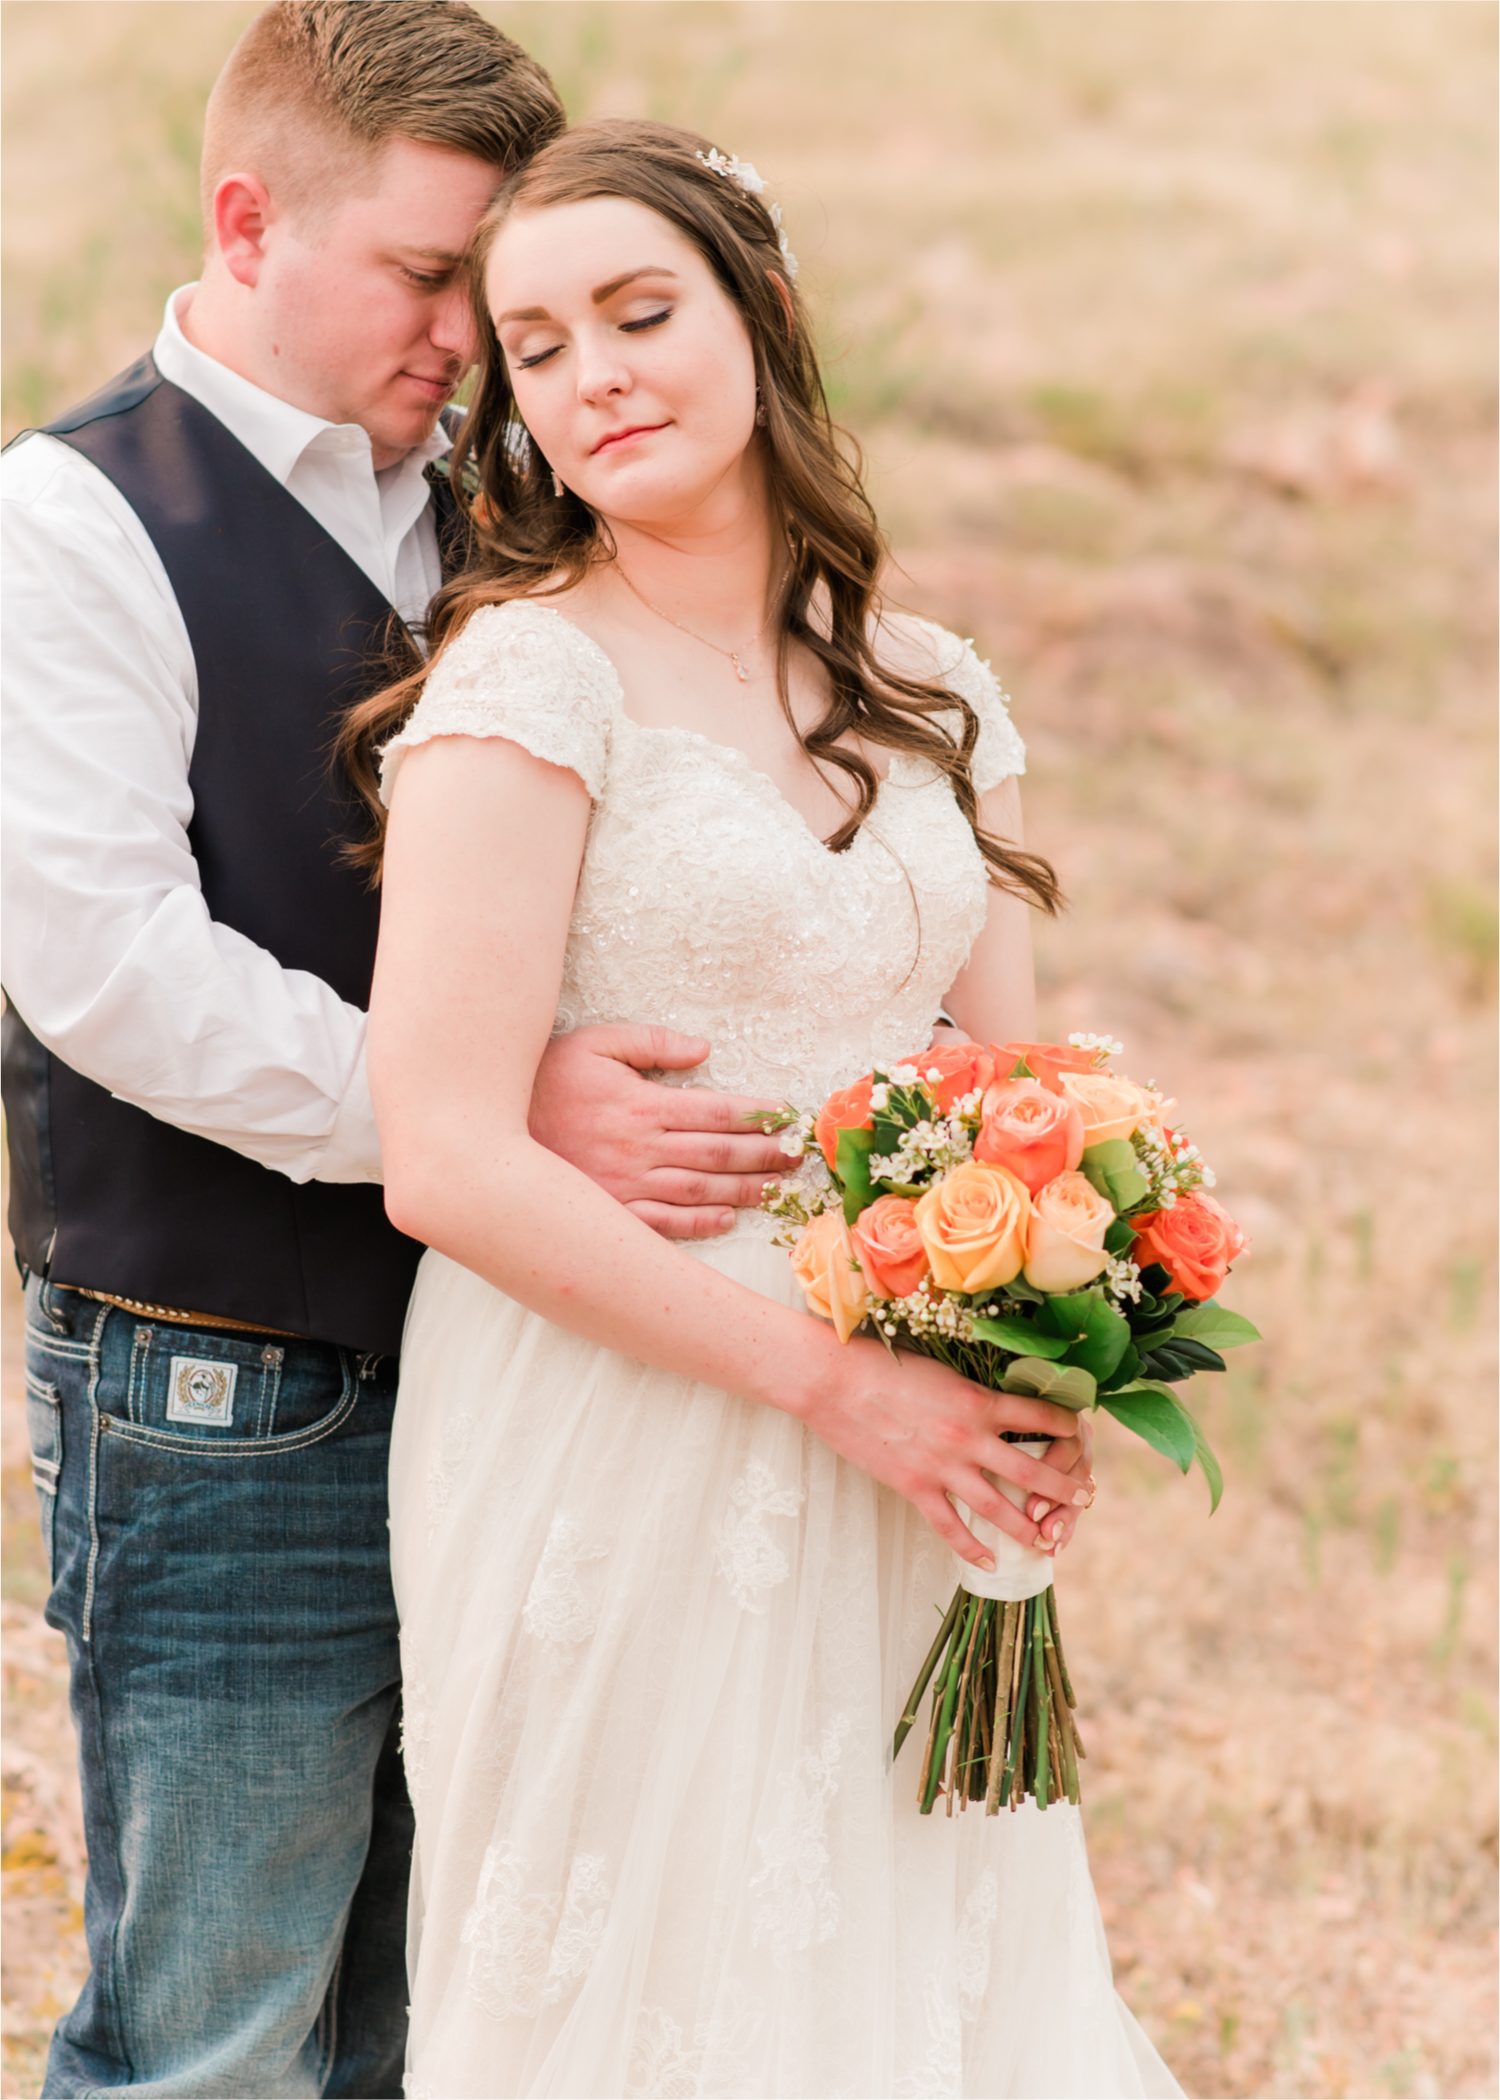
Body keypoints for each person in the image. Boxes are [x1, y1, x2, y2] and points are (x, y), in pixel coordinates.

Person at [1, 11, 792, 2091]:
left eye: (491, 291)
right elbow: (110, 968)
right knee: (217, 2036)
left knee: (442, 2013)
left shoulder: (500, 506)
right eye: (431, 279)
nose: (473, 339)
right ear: (247, 221)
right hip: (222, 1384)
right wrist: (480, 1113)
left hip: (516, 1370)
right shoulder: (74, 524)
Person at [357, 119, 1178, 2097]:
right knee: (651, 1979)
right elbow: (443, 1159)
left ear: (765, 315)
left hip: (907, 1419)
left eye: (641, 313)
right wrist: (830, 1385)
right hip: (619, 1409)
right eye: (538, 348)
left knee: (910, 1964)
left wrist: (1043, 1357)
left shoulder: (936, 690)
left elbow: (1013, 1103)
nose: (593, 377)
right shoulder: (526, 683)